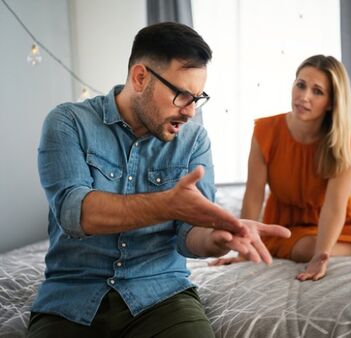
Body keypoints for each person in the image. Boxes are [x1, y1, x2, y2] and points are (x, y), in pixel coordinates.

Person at [27, 22, 290, 338]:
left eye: (197, 97)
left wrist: (216, 240)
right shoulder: (69, 122)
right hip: (70, 299)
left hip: (161, 296)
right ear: (140, 78)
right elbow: (74, 213)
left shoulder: (194, 141)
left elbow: (189, 232)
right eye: (181, 95)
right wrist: (168, 204)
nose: (191, 111)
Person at [211, 54, 351, 302]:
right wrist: (245, 245)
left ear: (330, 102)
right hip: (290, 223)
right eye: (300, 84)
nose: (304, 96)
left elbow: (334, 206)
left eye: (317, 91)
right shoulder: (265, 131)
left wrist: (323, 255)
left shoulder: (348, 140)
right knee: (310, 249)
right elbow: (253, 194)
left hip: (343, 217)